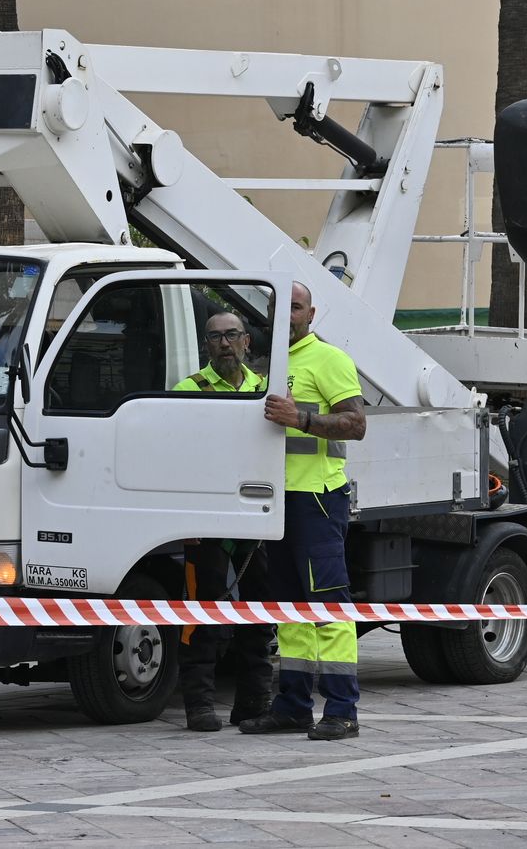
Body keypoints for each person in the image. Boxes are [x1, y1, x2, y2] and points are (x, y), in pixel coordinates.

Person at [240, 281, 368, 741]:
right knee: (289, 611)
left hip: (316, 499)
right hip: (273, 500)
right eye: (280, 308)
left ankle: (341, 710)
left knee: (329, 606)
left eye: (295, 308)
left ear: (311, 314)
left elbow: (356, 424)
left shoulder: (329, 359)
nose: (288, 316)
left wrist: (304, 421)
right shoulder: (265, 367)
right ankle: (292, 706)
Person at [172, 311, 275, 732]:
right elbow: (174, 459)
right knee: (201, 614)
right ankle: (198, 704)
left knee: (259, 614)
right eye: (215, 337)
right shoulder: (187, 391)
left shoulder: (265, 390)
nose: (224, 344)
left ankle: (253, 702)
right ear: (206, 346)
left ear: (247, 342)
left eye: (232, 335)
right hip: (207, 520)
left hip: (257, 517)